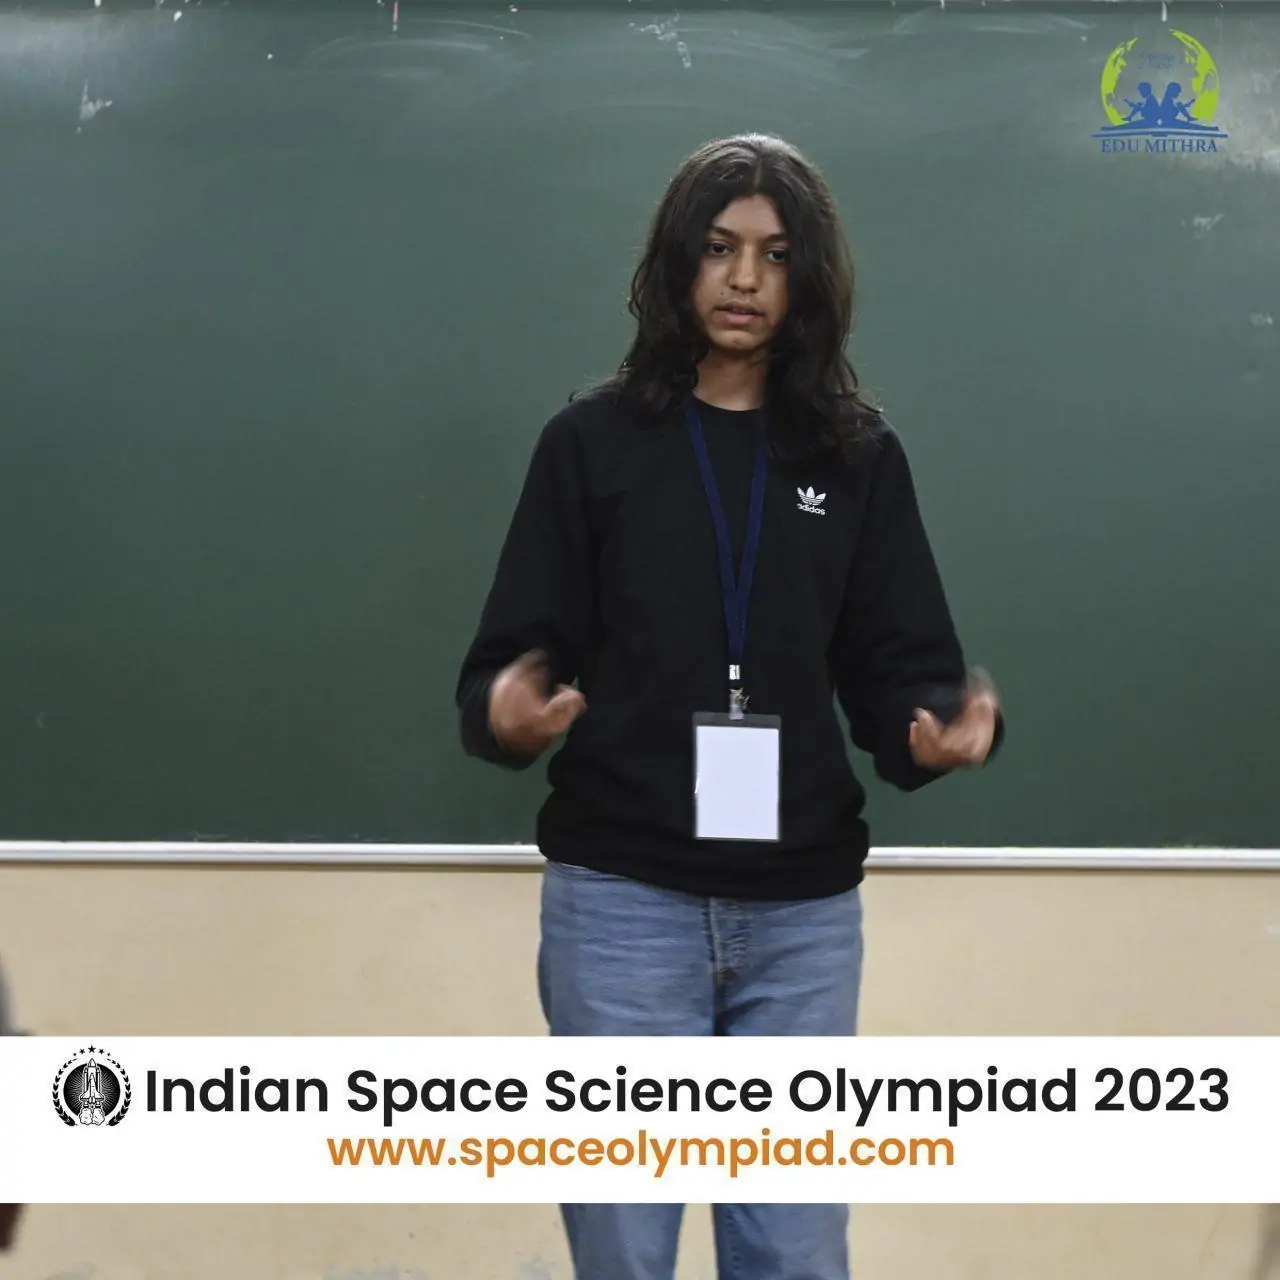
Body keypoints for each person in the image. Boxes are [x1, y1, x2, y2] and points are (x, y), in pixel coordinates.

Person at [455, 133, 1004, 1280]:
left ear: (809, 278)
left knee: (794, 1250)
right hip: (622, 901)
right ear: (676, 264)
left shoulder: (855, 457)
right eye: (716, 248)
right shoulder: (590, 444)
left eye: (773, 253)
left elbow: (902, 663)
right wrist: (508, 709)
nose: (744, 277)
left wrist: (941, 726)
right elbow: (512, 654)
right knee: (624, 1248)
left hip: (799, 916)